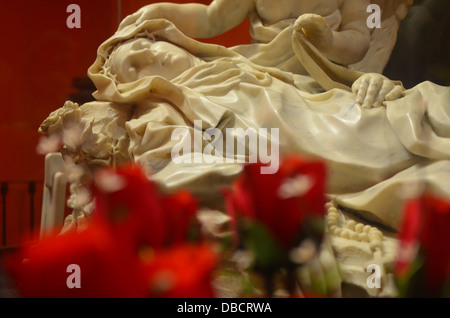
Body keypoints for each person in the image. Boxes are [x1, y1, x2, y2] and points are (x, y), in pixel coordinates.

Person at [117, 0, 372, 75]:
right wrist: (159, 12)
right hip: (258, 70)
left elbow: (359, 40)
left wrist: (328, 43)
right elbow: (210, 19)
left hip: (319, 76)